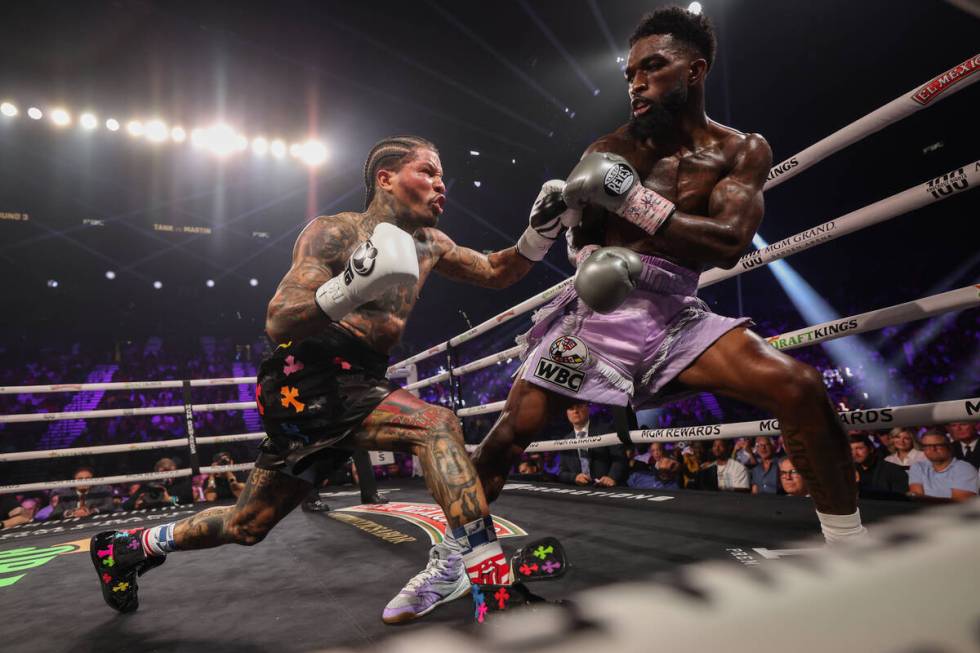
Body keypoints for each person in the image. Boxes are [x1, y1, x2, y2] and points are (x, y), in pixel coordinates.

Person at [393, 6, 870, 618]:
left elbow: (727, 243)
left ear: (694, 70)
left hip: (675, 313)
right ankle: (449, 562)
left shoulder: (739, 149)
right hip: (596, 313)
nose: (636, 83)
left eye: (653, 68)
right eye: (630, 73)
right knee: (515, 428)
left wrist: (636, 201)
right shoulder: (608, 147)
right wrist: (556, 220)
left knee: (799, 387)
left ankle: (849, 549)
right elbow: (579, 243)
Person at [89, 135, 570, 622]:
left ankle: (129, 548)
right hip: (307, 376)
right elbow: (279, 319)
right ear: (385, 179)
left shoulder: (431, 243)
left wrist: (539, 233)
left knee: (248, 523)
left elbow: (494, 270)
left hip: (360, 380)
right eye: (427, 171)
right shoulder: (335, 233)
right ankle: (492, 587)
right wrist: (351, 284)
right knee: (436, 423)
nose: (441, 183)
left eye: (442, 175)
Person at [556, 402, 626, 487]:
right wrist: (574, 477)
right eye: (571, 409)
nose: (575, 411)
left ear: (588, 409)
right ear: (567, 413)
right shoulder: (565, 440)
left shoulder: (606, 430)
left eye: (579, 406)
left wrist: (612, 477)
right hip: (580, 492)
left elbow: (620, 458)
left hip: (607, 488)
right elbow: (562, 472)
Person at [909, 430, 978, 502]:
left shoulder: (964, 469)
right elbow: (917, 501)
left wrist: (922, 498)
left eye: (938, 445)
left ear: (948, 446)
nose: (932, 449)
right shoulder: (918, 467)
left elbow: (959, 505)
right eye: (927, 446)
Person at [850, 435, 908, 500]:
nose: (854, 453)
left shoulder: (893, 470)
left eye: (859, 448)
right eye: (851, 450)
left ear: (871, 449)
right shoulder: (849, 471)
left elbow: (900, 499)